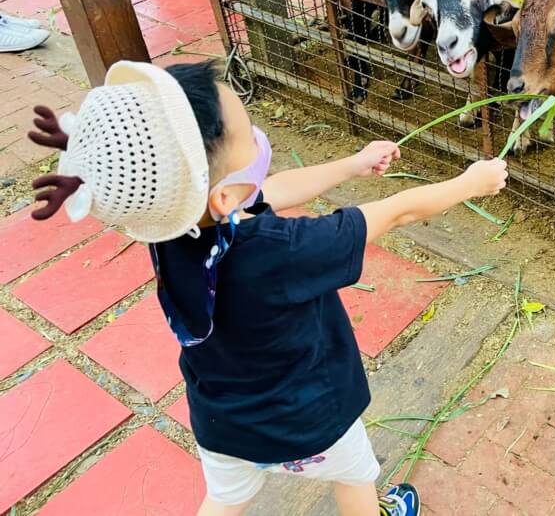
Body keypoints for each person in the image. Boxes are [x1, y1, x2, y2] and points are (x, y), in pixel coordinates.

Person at [27, 59, 509, 516]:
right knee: (357, 477)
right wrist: (473, 182)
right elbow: (398, 211)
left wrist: (352, 164)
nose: (259, 140)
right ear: (223, 196)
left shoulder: (170, 222)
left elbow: (266, 192)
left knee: (223, 499)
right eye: (247, 135)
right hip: (310, 416)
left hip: (221, 419)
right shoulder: (288, 250)